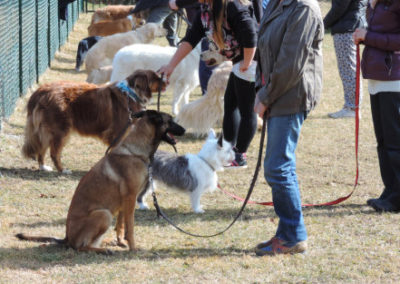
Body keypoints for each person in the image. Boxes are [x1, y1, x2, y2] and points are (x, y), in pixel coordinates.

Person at [253, 0, 323, 255]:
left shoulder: (304, 8)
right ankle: (287, 233)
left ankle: (294, 236)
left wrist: (266, 96)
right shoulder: (277, 3)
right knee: (280, 166)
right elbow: (264, 47)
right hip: (277, 92)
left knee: (277, 168)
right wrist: (260, 90)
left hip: (292, 94)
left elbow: (291, 64)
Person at [159, 0, 258, 169]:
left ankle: (239, 156)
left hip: (253, 60)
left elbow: (251, 35)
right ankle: (227, 148)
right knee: (230, 103)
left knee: (246, 108)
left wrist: (247, 63)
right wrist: (170, 66)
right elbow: (190, 39)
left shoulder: (232, 5)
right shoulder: (206, 10)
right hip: (239, 61)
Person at [353, 0, 400, 212]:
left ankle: (397, 197)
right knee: (383, 141)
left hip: (394, 80)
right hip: (377, 78)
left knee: (395, 142)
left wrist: (368, 36)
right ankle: (390, 190)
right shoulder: (374, 3)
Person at [324, 0, 367, 119]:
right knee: (350, 69)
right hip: (353, 25)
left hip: (347, 28)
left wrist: (322, 24)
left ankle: (352, 107)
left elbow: (339, 7)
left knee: (348, 70)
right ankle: (352, 106)